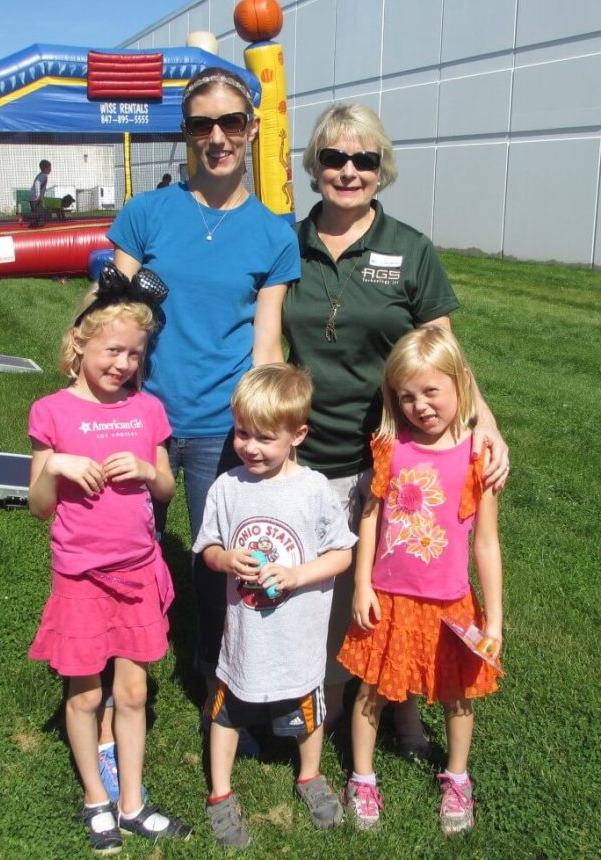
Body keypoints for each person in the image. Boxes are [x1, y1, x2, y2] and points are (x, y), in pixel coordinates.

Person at [282, 103, 509, 745]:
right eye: (334, 158)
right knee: (321, 595)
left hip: (394, 454)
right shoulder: (287, 244)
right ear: (314, 166)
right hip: (307, 452)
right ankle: (320, 708)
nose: (348, 171)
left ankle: (400, 708)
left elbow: (445, 354)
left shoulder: (410, 249)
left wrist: (485, 424)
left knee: (401, 586)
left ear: (382, 169)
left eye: (365, 159)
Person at [109, 67, 300, 715]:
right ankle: (120, 674)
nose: (217, 137)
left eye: (230, 123)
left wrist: (276, 437)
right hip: (143, 420)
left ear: (251, 129)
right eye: (201, 125)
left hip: (224, 426)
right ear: (187, 133)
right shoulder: (147, 213)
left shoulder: (273, 235)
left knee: (220, 565)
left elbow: (266, 346)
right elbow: (109, 317)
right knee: (127, 550)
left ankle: (218, 682)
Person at [27, 265, 191, 854]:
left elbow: (166, 487)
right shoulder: (51, 412)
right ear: (79, 342)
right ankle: (97, 799)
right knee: (84, 694)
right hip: (81, 575)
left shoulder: (148, 410)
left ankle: (133, 803)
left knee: (134, 693)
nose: (123, 364)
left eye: (134, 354)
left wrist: (149, 469)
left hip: (138, 569)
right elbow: (38, 507)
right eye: (112, 350)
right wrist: (56, 466)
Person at [337, 325, 503, 835]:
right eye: (406, 396)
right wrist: (362, 584)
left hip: (451, 602)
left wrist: (494, 619)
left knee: (457, 695)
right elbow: (370, 517)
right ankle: (362, 779)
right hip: (388, 598)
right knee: (371, 691)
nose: (420, 406)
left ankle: (457, 778)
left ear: (461, 382)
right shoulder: (390, 448)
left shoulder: (478, 457)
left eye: (431, 391)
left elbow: (486, 544)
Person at [193, 364, 356, 849]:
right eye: (242, 433)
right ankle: (220, 793)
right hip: (244, 642)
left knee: (308, 712)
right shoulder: (227, 487)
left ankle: (310, 775)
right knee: (226, 714)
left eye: (265, 438)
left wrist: (296, 575)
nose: (251, 447)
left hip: (297, 640)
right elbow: (208, 548)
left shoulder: (314, 489)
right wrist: (225, 559)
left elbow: (342, 554)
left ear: (297, 435)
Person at [29, 159, 51, 228]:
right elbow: (37, 182)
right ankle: (23, 216)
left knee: (36, 213)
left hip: (32, 196)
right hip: (36, 197)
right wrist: (38, 195)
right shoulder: (44, 175)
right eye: (50, 168)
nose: (50, 170)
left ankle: (33, 224)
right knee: (40, 213)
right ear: (46, 168)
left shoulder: (40, 174)